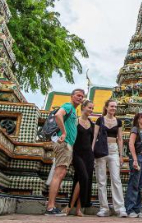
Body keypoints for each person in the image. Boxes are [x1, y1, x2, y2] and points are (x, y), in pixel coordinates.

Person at [45, 88, 85, 217]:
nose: (80, 98)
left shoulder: (74, 110)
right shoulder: (68, 106)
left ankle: (51, 205)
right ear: (72, 96)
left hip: (68, 145)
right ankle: (50, 207)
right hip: (64, 143)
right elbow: (58, 115)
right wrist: (64, 132)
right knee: (59, 174)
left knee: (60, 174)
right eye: (78, 95)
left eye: (82, 96)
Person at [95, 99, 127, 218]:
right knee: (101, 180)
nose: (113, 108)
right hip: (101, 149)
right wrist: (92, 151)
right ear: (106, 107)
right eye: (112, 106)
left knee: (116, 179)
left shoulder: (118, 121)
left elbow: (120, 138)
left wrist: (121, 155)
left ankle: (120, 208)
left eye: (115, 107)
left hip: (113, 150)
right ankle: (104, 208)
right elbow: (95, 136)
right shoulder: (100, 119)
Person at [65, 99, 97, 217]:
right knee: (83, 177)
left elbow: (94, 140)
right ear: (83, 107)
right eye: (89, 107)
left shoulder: (92, 124)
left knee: (83, 180)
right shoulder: (75, 121)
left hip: (89, 155)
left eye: (92, 108)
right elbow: (70, 136)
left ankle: (78, 209)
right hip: (77, 153)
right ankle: (69, 207)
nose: (91, 110)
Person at [125, 112, 142, 218]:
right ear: (138, 119)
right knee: (134, 183)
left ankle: (137, 209)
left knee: (139, 185)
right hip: (137, 157)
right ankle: (130, 209)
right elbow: (131, 143)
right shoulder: (135, 129)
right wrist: (134, 159)